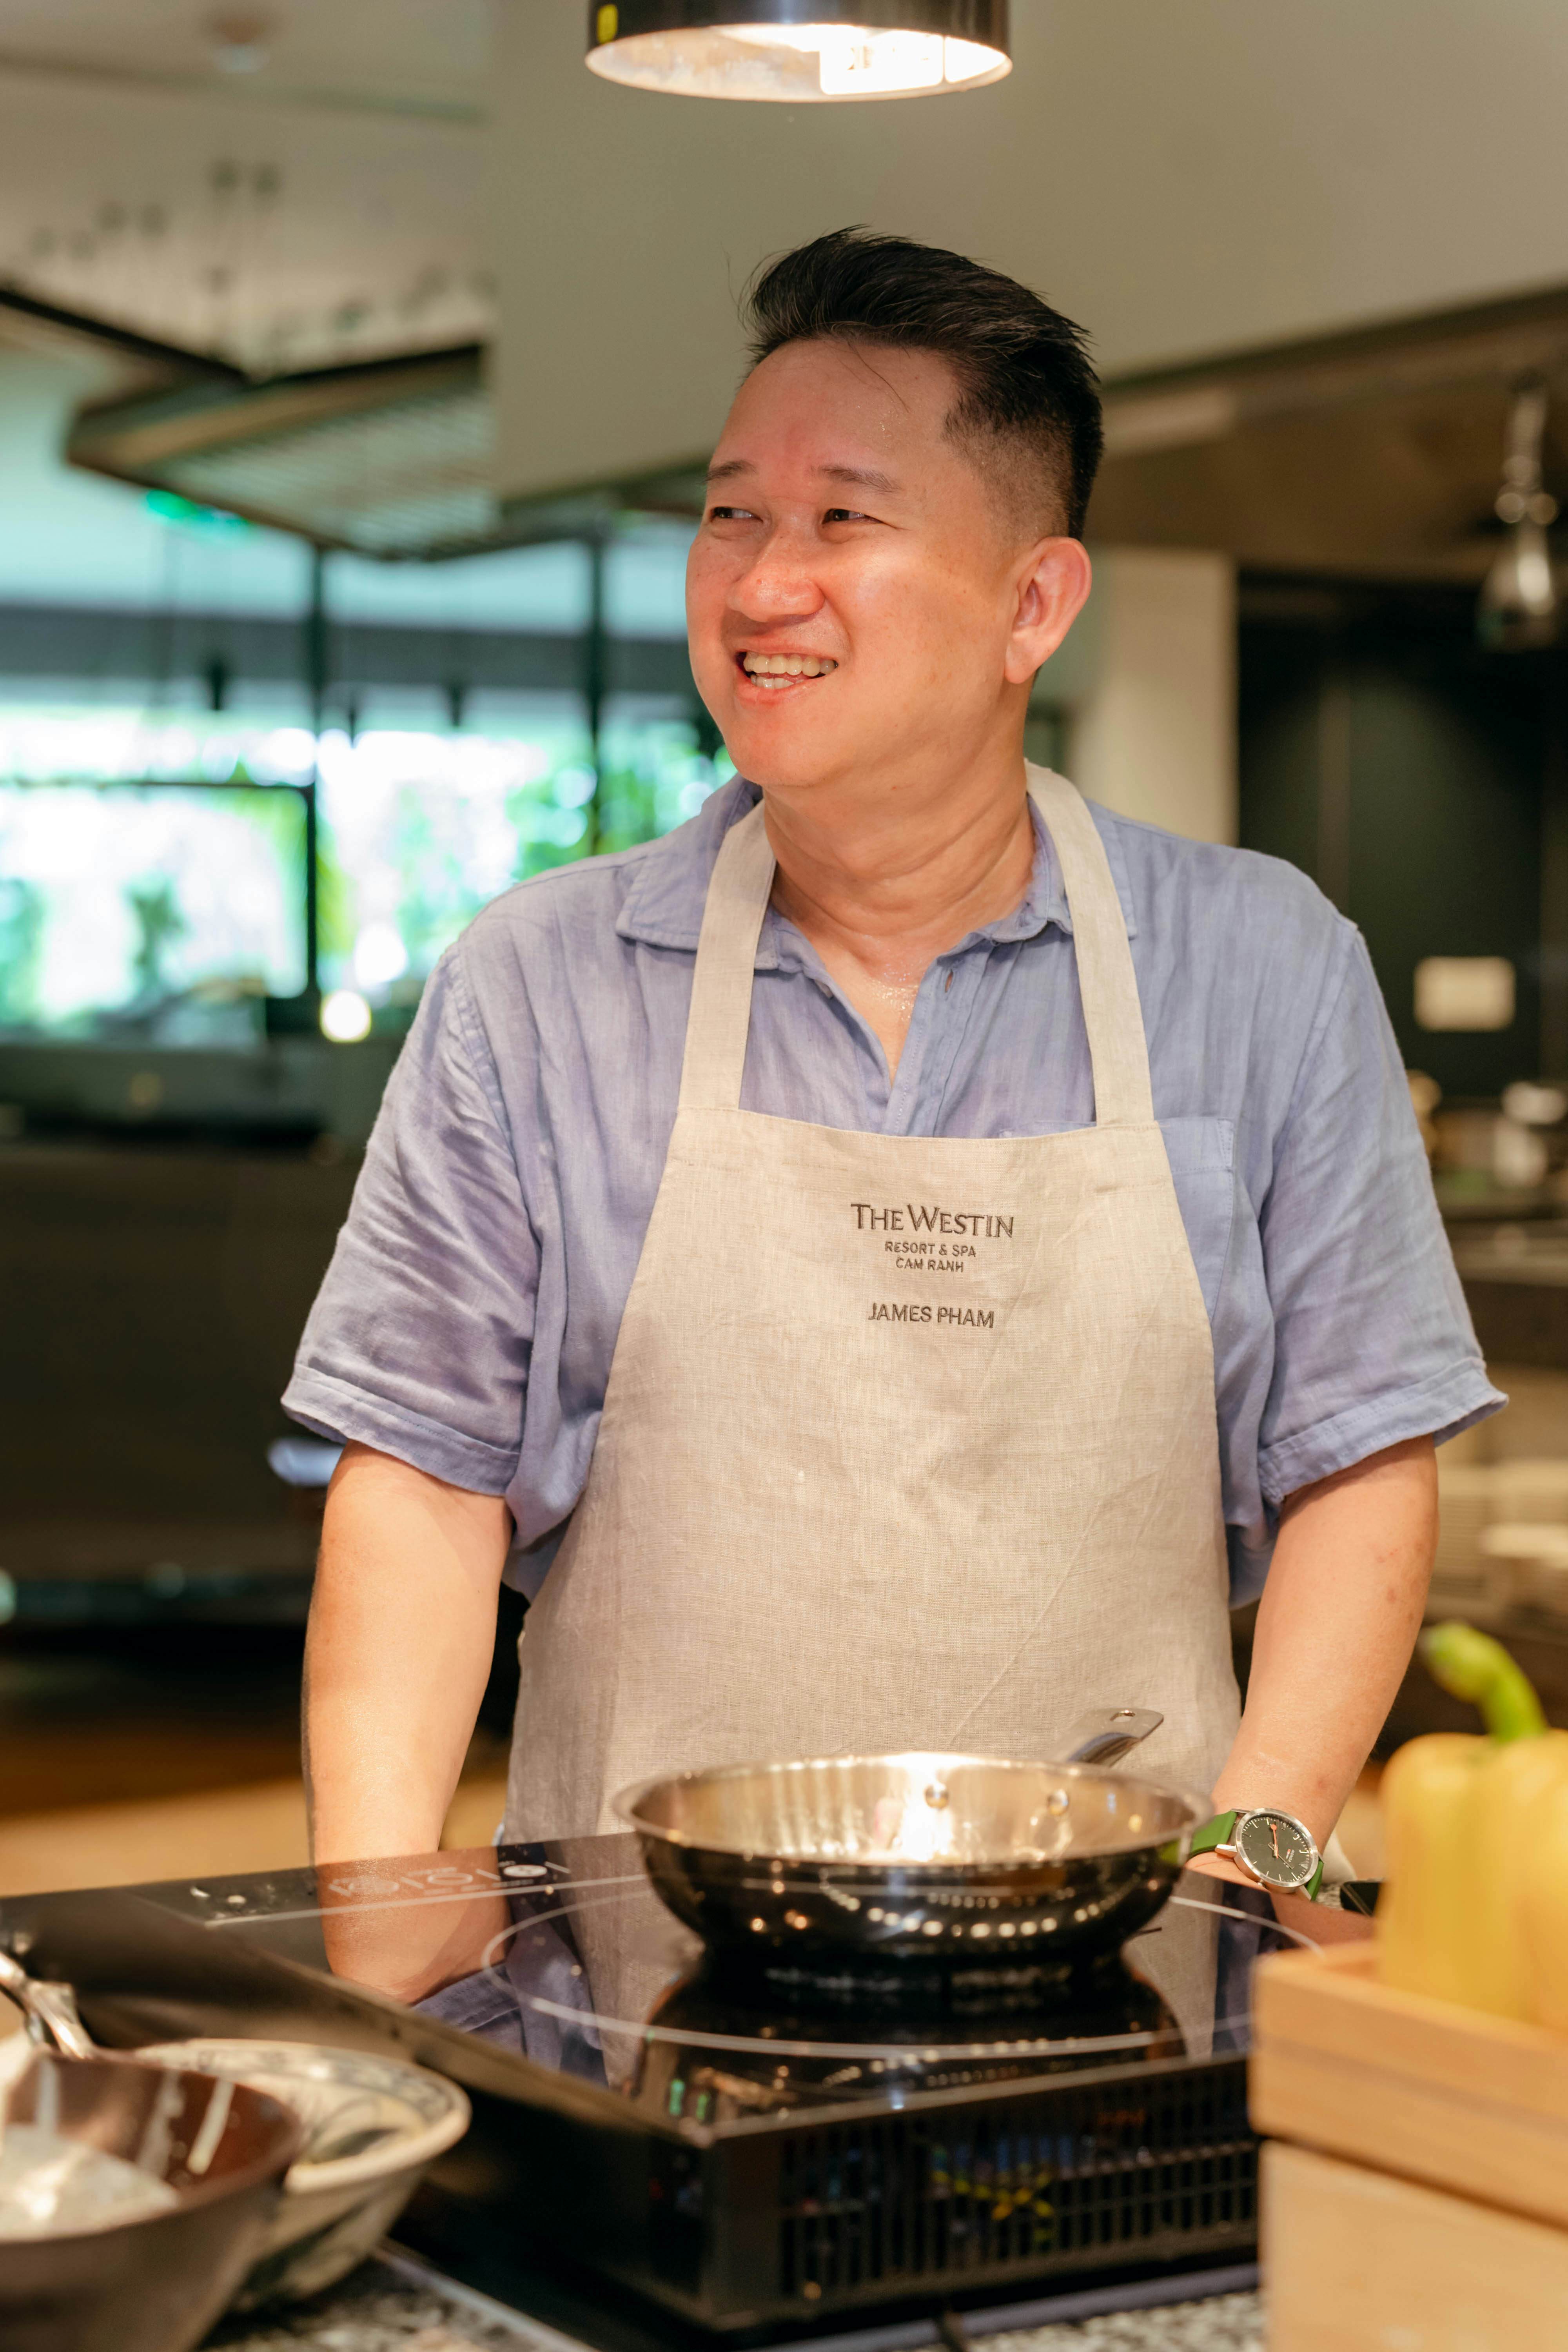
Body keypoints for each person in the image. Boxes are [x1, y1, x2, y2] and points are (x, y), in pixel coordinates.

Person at [287, 229, 1498, 1896]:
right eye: (731, 514)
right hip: (638, 1976)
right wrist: (373, 1910)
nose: (762, 584)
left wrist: (1255, 1859)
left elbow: (1361, 1458)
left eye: (842, 519)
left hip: (1139, 1966)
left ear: (1032, 604)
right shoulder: (537, 983)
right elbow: (420, 1481)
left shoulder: (1261, 964)